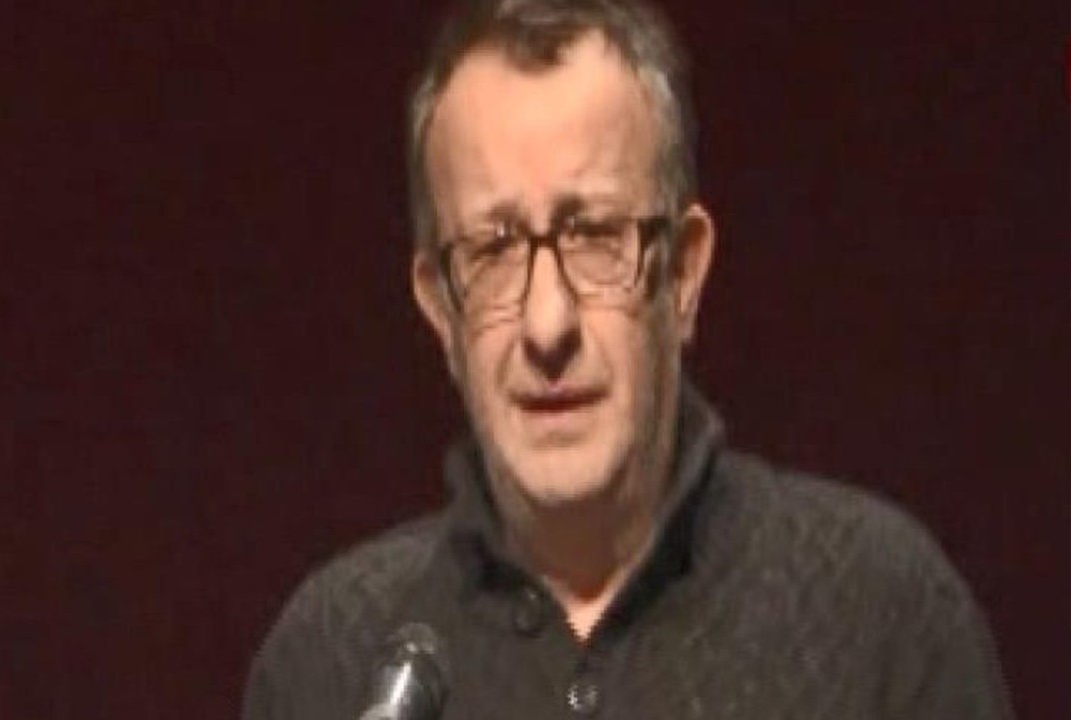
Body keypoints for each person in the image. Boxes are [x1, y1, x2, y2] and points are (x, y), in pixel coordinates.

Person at [242, 1, 1012, 718]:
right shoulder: (331, 663)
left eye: (595, 236)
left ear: (683, 274)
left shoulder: (883, 622)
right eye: (495, 249)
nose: (548, 324)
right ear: (441, 308)